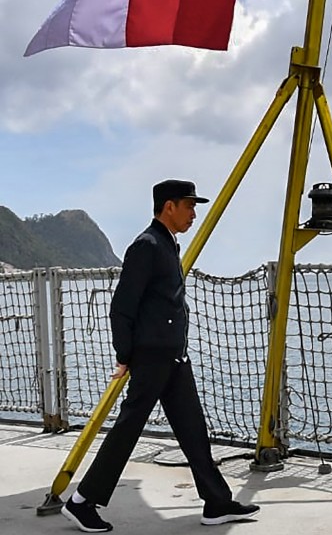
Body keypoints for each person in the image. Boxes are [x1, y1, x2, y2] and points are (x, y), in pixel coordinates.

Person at [62, 179, 259, 532]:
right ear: (169, 206)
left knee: (193, 429)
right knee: (128, 429)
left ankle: (216, 503)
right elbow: (122, 307)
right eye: (189, 205)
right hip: (153, 357)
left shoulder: (166, 245)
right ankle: (82, 501)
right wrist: (125, 355)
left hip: (172, 356)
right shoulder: (147, 246)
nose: (193, 214)